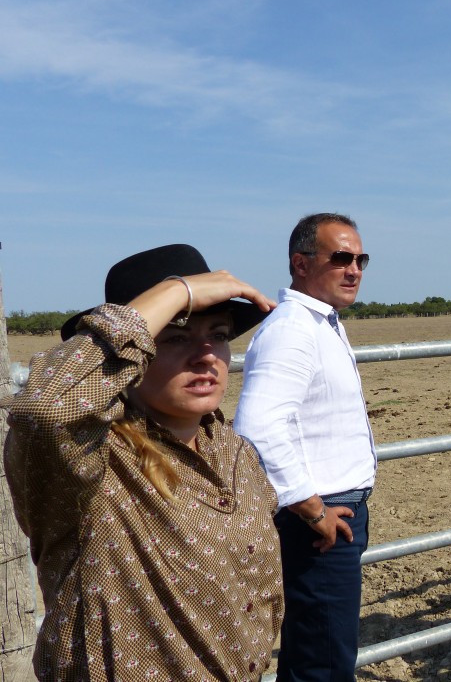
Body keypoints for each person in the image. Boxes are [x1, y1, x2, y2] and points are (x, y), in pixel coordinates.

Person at [2, 244, 283, 681]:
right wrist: (179, 291)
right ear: (131, 357)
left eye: (219, 335)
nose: (206, 354)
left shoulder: (233, 452)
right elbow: (46, 408)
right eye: (174, 337)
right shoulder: (89, 463)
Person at [234, 213, 376, 682]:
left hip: (331, 515)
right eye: (340, 258)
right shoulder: (294, 328)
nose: (353, 269)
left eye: (360, 259)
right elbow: (257, 426)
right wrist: (312, 508)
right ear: (300, 263)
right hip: (319, 524)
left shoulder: (321, 322)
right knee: (325, 666)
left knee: (311, 656)